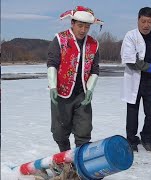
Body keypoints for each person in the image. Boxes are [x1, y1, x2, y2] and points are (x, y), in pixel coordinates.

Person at [47, 6, 103, 152]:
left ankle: (80, 161)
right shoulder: (60, 39)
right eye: (80, 25)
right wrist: (53, 86)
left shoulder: (93, 44)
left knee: (84, 131)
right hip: (61, 93)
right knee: (60, 131)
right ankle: (65, 158)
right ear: (72, 23)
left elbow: (95, 69)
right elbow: (52, 63)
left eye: (86, 26)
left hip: (82, 94)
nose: (83, 30)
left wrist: (90, 89)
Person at [120, 7, 151, 152]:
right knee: (132, 113)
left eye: (149, 22)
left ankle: (146, 137)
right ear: (138, 20)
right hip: (134, 80)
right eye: (143, 21)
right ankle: (131, 140)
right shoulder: (130, 36)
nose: (146, 25)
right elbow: (130, 60)